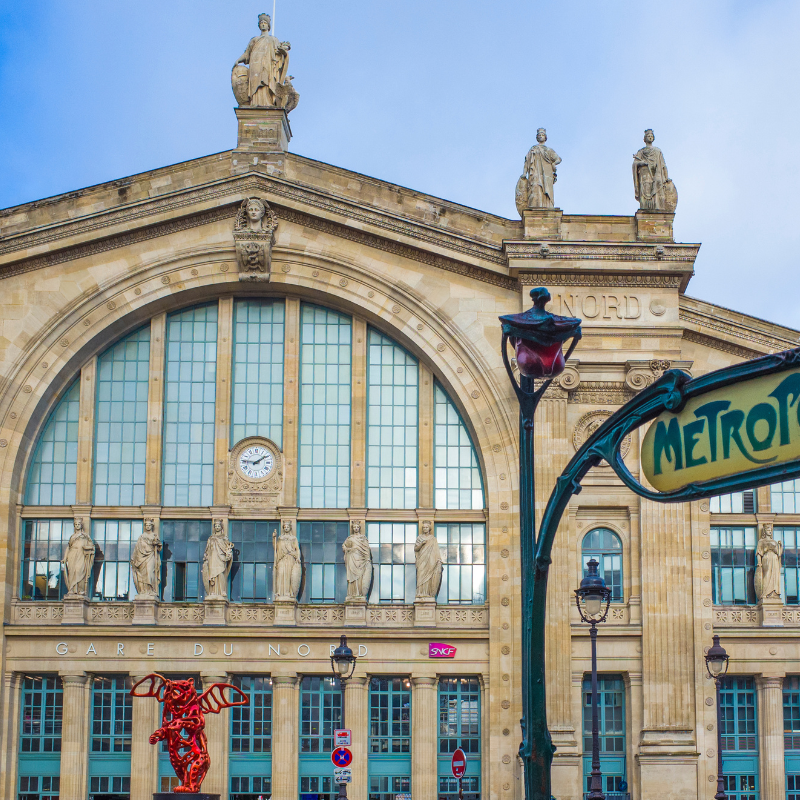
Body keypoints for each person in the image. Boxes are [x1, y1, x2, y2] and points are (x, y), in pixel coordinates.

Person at [233, 14, 291, 108]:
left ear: (268, 26)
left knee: (267, 82)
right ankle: (254, 102)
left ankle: (268, 103)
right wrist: (238, 60)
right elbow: (247, 53)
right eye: (261, 23)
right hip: (255, 63)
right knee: (255, 81)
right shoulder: (254, 40)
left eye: (265, 23)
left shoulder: (273, 39)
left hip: (268, 63)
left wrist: (284, 52)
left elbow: (280, 53)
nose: (263, 24)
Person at [519, 129, 562, 210]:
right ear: (537, 137)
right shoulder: (533, 149)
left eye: (542, 135)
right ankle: (535, 206)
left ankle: (548, 206)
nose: (541, 136)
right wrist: (524, 173)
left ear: (545, 137)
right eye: (539, 135)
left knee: (547, 190)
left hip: (547, 173)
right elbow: (527, 161)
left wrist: (553, 163)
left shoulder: (548, 150)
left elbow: (558, 159)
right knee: (535, 187)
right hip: (535, 172)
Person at [632, 129, 671, 211]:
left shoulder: (657, 151)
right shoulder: (641, 152)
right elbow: (635, 164)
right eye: (648, 136)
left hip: (657, 173)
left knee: (657, 188)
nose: (650, 137)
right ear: (644, 139)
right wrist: (641, 163)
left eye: (651, 136)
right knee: (646, 191)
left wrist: (666, 177)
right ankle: (646, 209)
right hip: (645, 174)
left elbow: (663, 165)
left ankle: (657, 207)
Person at [62, 518, 95, 597]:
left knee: (80, 570)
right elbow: (68, 547)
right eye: (76, 524)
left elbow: (91, 546)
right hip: (72, 555)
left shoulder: (85, 536)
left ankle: (81, 590)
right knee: (72, 572)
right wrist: (65, 558)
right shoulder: (72, 537)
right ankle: (72, 590)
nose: (77, 526)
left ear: (81, 525)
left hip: (81, 554)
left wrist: (88, 548)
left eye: (78, 524)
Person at [202, 520, 234, 599]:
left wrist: (229, 552)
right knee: (212, 574)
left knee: (220, 574)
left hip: (221, 557)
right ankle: (212, 591)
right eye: (215, 526)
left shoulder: (224, 538)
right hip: (212, 557)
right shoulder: (211, 538)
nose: (217, 527)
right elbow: (207, 549)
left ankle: (222, 591)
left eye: (218, 526)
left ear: (221, 527)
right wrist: (206, 557)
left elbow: (227, 547)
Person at [131, 519, 162, 597]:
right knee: (142, 574)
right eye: (146, 525)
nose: (148, 527)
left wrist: (156, 544)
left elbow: (159, 547)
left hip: (151, 555)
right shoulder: (142, 536)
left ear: (152, 526)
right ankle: (144, 591)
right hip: (141, 557)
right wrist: (134, 558)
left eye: (149, 525)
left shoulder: (154, 536)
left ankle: (151, 590)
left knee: (149, 572)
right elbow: (137, 548)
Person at [343, 520, 372, 599]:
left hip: (361, 560)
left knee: (360, 576)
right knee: (353, 577)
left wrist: (368, 559)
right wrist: (348, 549)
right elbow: (344, 546)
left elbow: (366, 550)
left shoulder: (363, 538)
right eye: (354, 527)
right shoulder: (350, 538)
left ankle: (359, 593)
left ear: (359, 528)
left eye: (357, 527)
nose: (356, 528)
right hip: (352, 558)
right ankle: (353, 594)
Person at [274, 520, 302, 600]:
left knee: (289, 575)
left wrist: (298, 558)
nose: (286, 528)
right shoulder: (280, 538)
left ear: (290, 528)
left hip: (290, 559)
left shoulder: (293, 538)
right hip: (282, 559)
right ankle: (280, 592)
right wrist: (274, 538)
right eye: (285, 527)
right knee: (281, 574)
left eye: (287, 527)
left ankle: (289, 593)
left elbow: (297, 549)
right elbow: (276, 548)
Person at [414, 520, 442, 599]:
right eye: (424, 528)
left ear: (429, 528)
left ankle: (428, 593)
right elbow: (416, 549)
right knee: (421, 575)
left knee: (429, 576)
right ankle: (420, 593)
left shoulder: (433, 539)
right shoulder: (419, 538)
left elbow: (436, 550)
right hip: (421, 559)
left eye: (426, 527)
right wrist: (421, 544)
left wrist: (438, 560)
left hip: (430, 560)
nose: (425, 529)